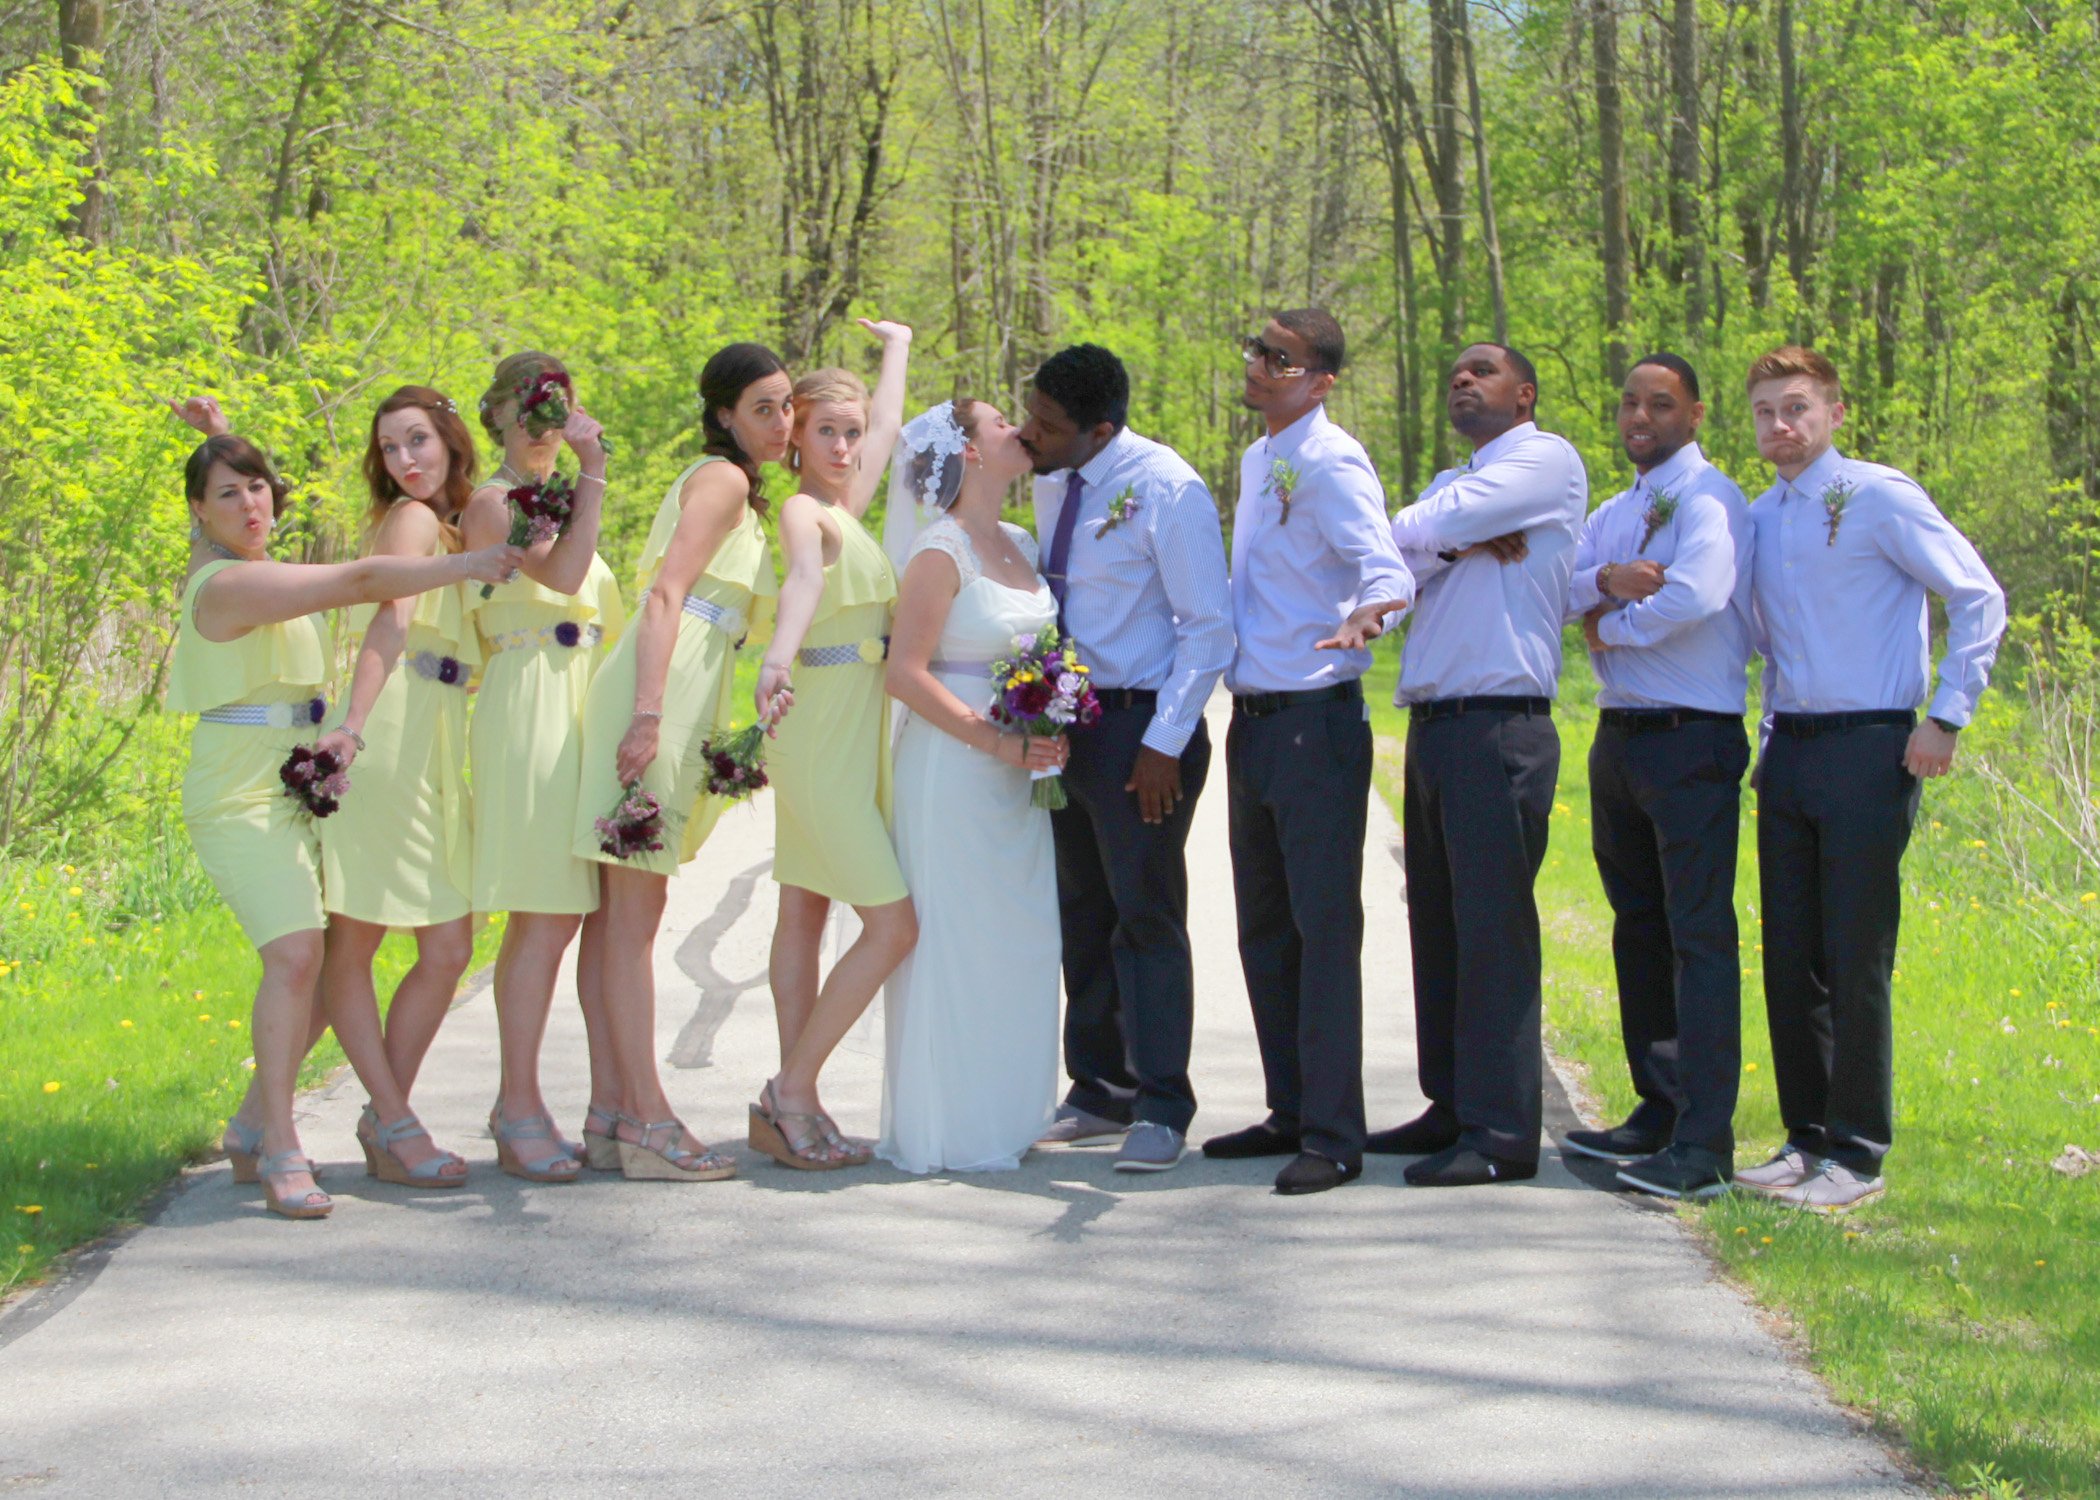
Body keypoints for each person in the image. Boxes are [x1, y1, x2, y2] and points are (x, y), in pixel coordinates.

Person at [166, 409, 519, 1218]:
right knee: (296, 958)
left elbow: (250, 506)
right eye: (228, 494)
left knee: (323, 967)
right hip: (237, 794)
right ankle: (287, 1146)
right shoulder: (223, 584)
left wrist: (223, 428)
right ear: (199, 513)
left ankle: (254, 1128)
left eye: (259, 486)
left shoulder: (252, 558)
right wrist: (472, 560)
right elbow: (364, 583)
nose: (252, 504)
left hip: (297, 780)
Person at [1738, 345, 2005, 1214]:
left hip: (1871, 746)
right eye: (1767, 411)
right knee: (1791, 956)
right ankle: (1804, 1139)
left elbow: (1977, 595)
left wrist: (1947, 714)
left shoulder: (1877, 496)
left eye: (1798, 408)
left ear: (1835, 413)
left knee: (1855, 955)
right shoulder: (1760, 517)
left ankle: (1857, 1154)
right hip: (1790, 748)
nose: (1781, 425)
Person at [1200, 310, 1414, 1196]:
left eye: (1279, 359)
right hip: (1253, 717)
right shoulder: (1259, 458)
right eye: (1254, 350)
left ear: (1321, 381)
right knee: (1265, 929)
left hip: (1316, 719)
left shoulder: (1332, 460)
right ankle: (1288, 1107)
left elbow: (1388, 568)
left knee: (1324, 932)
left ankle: (1333, 1133)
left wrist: (1369, 613)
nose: (1259, 366)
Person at [568, 343, 788, 1181]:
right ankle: (649, 1122)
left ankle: (610, 1112)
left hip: (681, 681)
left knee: (619, 920)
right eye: (761, 408)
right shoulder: (723, 480)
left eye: (785, 406)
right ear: (724, 414)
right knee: (631, 923)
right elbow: (665, 592)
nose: (780, 422)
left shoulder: (730, 486)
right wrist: (649, 715)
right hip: (659, 685)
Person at [1376, 342, 1587, 1187]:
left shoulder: (1544, 460)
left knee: (1493, 931)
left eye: (1482, 372)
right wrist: (1454, 540)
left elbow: (1412, 536)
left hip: (1500, 724)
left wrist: (1442, 536)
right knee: (1439, 923)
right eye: (1454, 371)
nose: (1461, 379)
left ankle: (1502, 1135)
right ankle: (1454, 1105)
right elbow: (1394, 552)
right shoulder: (1454, 483)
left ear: (1524, 394)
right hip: (1434, 725)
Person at [1017, 344, 1232, 1174]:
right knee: (1083, 910)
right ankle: (1098, 1086)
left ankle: (1162, 1104)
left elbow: (1208, 627)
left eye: (1049, 425)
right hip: (1069, 722)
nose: (1033, 433)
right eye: (1031, 414)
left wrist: (1163, 743)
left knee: (1145, 915)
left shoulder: (1166, 488)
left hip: (1142, 734)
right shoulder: (1049, 476)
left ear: (1101, 430)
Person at [1560, 353, 1753, 1201]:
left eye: (1661, 403)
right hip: (1621, 737)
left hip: (1692, 740)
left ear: (1696, 414)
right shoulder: (1613, 510)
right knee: (1638, 925)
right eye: (1631, 401)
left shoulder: (1716, 501)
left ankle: (1706, 1144)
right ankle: (1659, 1105)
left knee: (1698, 935)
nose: (1641, 415)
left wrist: (1614, 626)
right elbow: (1559, 589)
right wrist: (1602, 586)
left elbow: (1701, 593)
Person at [878, 400, 1070, 1174]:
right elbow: (904, 673)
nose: (1018, 425)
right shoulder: (940, 548)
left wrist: (1051, 711)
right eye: (998, 419)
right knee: (956, 940)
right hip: (954, 769)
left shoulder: (1021, 540)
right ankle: (954, 1127)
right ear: (969, 450)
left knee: (1018, 937)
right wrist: (994, 738)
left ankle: (1012, 1114)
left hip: (1018, 775)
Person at [751, 319, 919, 1170]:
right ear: (797, 436)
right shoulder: (801, 510)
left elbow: (889, 424)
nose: (849, 445)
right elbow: (805, 585)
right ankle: (791, 1087)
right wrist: (776, 659)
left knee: (804, 907)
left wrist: (898, 346)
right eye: (829, 431)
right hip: (815, 725)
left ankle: (797, 1097)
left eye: (852, 433)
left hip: (852, 730)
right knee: (893, 926)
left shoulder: (849, 506)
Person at [318, 387, 492, 1190]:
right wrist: (352, 726)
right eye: (390, 449)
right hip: (390, 727)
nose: (405, 461)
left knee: (447, 944)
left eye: (416, 441)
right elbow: (389, 618)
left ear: (452, 441)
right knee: (358, 938)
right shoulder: (416, 522)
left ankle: (271, 1119)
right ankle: (393, 1122)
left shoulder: (453, 521)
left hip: (434, 729)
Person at [463, 352, 621, 1182]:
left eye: (554, 407)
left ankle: (570, 1101)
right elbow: (558, 576)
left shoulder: (565, 502)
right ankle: (516, 1103)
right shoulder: (493, 505)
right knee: (541, 915)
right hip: (528, 701)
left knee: (579, 917)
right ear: (496, 416)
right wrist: (594, 475)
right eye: (526, 408)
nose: (541, 425)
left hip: (584, 702)